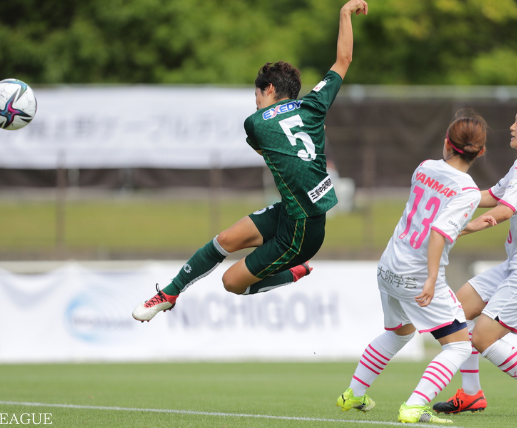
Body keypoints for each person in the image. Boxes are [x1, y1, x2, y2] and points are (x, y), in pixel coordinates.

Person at [132, 0, 368, 322]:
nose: (255, 103)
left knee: (232, 282)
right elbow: (344, 59)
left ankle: (293, 272)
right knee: (226, 239)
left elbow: (266, 149)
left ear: (269, 89)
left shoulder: (255, 123)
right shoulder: (313, 106)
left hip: (301, 230)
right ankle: (169, 293)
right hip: (295, 212)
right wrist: (344, 14)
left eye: (256, 95)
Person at [336, 110, 489, 424]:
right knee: (459, 346)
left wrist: (470, 222)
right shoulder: (468, 190)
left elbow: (435, 213)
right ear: (481, 151)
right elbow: (438, 231)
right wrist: (432, 277)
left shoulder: (424, 168)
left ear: (447, 143)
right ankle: (415, 406)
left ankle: (353, 394)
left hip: (389, 266)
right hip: (417, 274)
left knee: (398, 333)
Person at [433, 94, 517, 418]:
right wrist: (450, 193)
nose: (511, 126)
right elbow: (493, 195)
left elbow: (504, 210)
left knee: (481, 336)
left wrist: (461, 227)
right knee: (454, 314)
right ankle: (471, 393)